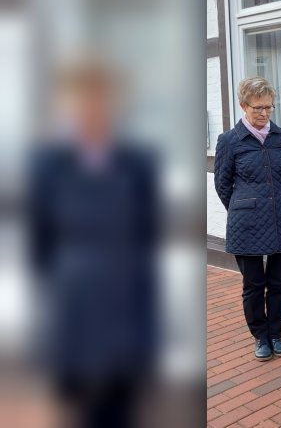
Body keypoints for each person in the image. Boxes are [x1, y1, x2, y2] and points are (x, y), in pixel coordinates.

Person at [28, 56, 158, 428]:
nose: (94, 109)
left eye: (102, 99)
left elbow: (146, 241)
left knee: (123, 411)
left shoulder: (137, 163)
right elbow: (40, 247)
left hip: (127, 314)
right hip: (73, 314)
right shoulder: (48, 165)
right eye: (84, 100)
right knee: (79, 411)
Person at [214, 77, 281, 361]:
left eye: (269, 107)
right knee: (253, 284)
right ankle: (260, 337)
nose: (264, 113)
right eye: (257, 108)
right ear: (243, 106)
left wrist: (278, 200)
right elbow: (223, 184)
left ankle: (276, 335)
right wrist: (245, 206)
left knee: (278, 282)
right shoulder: (229, 141)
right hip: (246, 223)